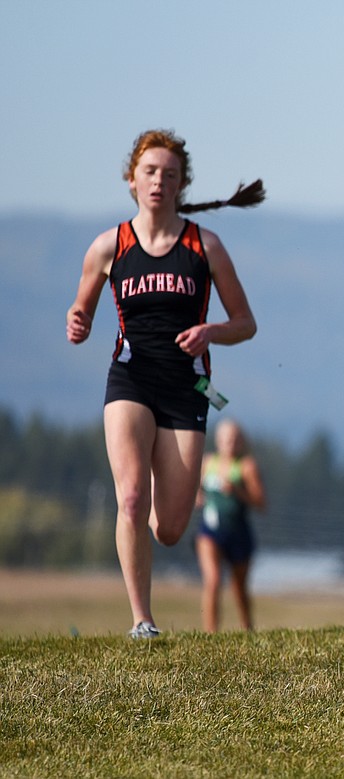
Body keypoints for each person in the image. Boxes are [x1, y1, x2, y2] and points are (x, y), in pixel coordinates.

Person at [66, 129, 261, 639]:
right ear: (132, 181)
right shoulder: (109, 246)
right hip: (130, 378)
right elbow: (81, 310)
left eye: (169, 174)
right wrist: (77, 321)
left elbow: (245, 322)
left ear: (181, 184)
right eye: (150, 172)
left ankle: (154, 504)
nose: (159, 181)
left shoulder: (204, 246)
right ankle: (142, 620)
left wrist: (212, 331)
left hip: (185, 387)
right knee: (130, 498)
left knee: (170, 528)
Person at [196, 418, 267, 632]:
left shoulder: (246, 467)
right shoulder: (208, 463)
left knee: (239, 588)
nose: (231, 443)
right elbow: (194, 489)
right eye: (227, 439)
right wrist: (197, 498)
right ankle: (211, 634)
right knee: (213, 580)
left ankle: (247, 628)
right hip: (210, 531)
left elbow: (261, 503)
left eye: (235, 439)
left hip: (238, 531)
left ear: (242, 442)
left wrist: (237, 491)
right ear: (218, 440)